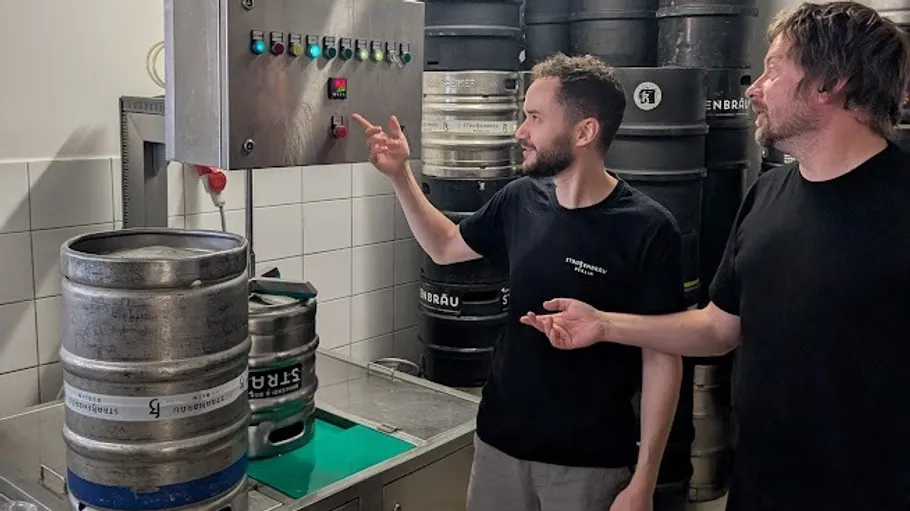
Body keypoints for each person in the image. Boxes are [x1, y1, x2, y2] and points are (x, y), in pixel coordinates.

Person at [520, 3, 910, 510]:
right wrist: (605, 325)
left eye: (773, 68)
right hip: (759, 487)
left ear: (828, 83)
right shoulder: (768, 193)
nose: (753, 87)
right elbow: (720, 328)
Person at [352, 53, 685, 511]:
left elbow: (663, 358)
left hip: (588, 464)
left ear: (584, 131)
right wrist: (400, 177)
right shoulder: (520, 198)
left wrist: (644, 481)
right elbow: (445, 247)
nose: (520, 132)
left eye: (533, 117)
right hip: (499, 445)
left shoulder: (648, 228)